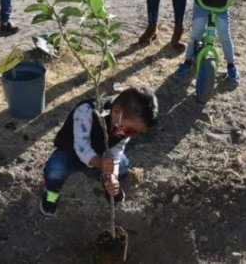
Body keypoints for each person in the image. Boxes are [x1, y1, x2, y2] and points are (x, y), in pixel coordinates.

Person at [40, 87, 159, 216]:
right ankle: (52, 192)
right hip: (71, 152)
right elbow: (81, 147)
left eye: (136, 132)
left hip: (100, 155)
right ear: (116, 112)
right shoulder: (86, 111)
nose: (131, 135)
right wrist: (101, 164)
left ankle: (106, 183)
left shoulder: (123, 127)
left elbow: (117, 149)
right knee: (55, 170)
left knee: (123, 165)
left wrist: (111, 176)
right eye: (130, 130)